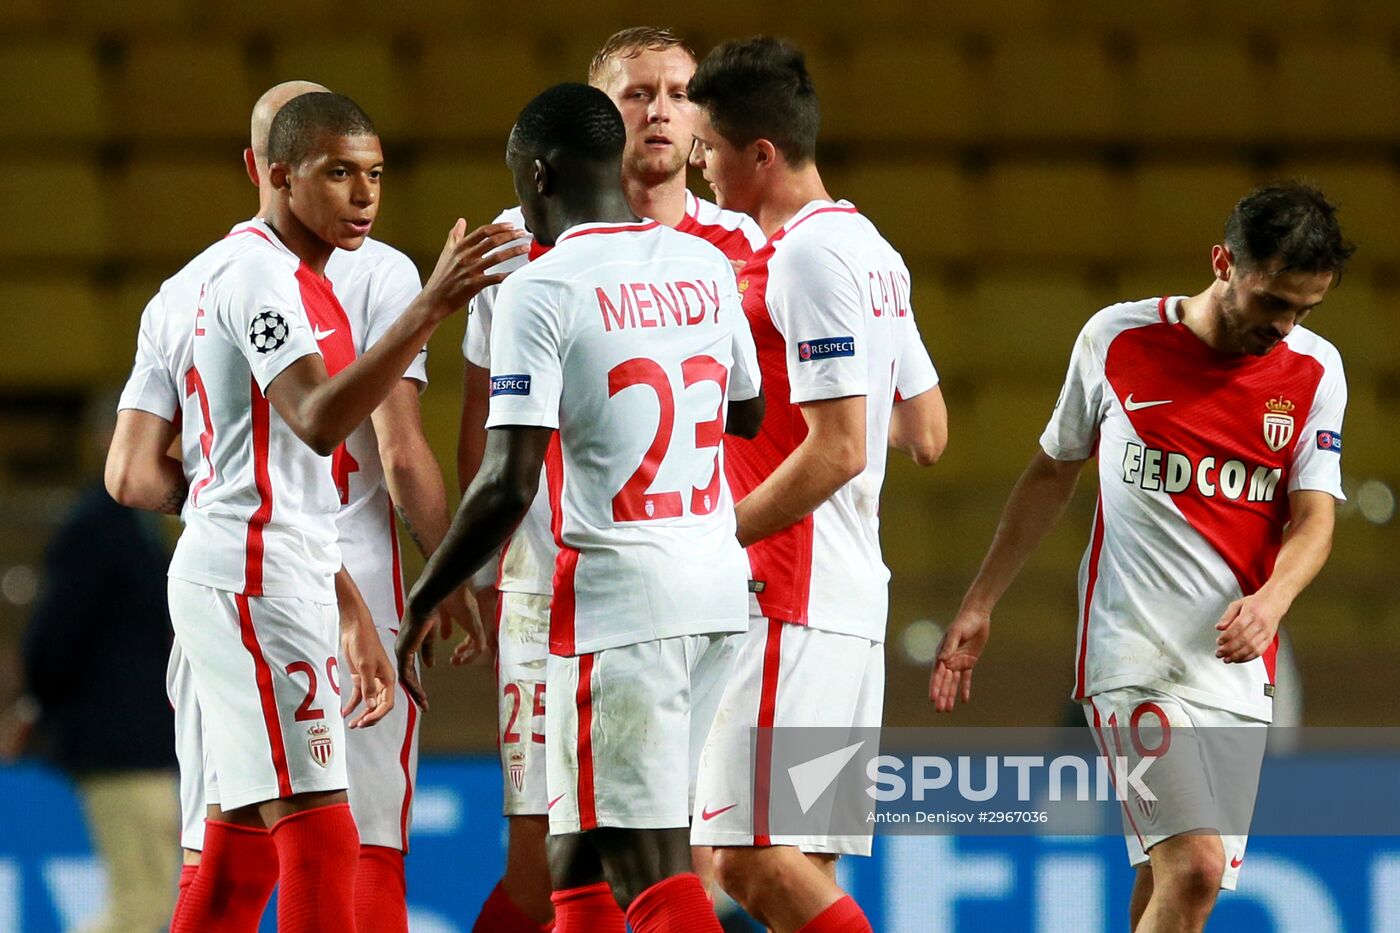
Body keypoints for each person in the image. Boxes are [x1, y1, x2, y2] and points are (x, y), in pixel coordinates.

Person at [106, 90, 520, 932]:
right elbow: (322, 419)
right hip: (261, 577)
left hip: (273, 570)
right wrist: (429, 308)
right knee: (331, 838)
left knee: (231, 854)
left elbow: (136, 472)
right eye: (340, 174)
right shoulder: (263, 277)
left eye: (374, 174)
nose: (364, 195)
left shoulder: (241, 284)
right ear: (277, 175)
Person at [929, 181, 1352, 933]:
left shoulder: (1315, 371)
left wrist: (1271, 600)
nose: (1284, 326)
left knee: (1169, 883)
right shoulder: (1116, 340)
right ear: (1223, 261)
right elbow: (1052, 471)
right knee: (1195, 865)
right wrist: (981, 599)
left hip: (1232, 668)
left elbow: (1315, 518)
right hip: (1131, 655)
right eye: (1273, 302)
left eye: (1303, 311)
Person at [397, 82, 763, 933]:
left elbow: (507, 481)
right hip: (713, 590)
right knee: (576, 850)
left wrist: (424, 597)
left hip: (621, 605)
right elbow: (744, 409)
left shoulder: (542, 286)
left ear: (538, 176)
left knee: (650, 866)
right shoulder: (703, 263)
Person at [684, 37, 946, 933]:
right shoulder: (871, 249)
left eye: (710, 146)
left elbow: (838, 449)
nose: (698, 162)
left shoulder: (799, 260)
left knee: (745, 856)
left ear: (760, 153)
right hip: (848, 596)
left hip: (785, 592)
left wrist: (713, 537)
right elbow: (928, 431)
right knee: (805, 862)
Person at [9, 393, 180, 933]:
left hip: (148, 745)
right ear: (114, 436)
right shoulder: (96, 525)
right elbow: (53, 635)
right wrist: (40, 702)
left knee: (160, 901)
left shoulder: (139, 525)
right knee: (144, 904)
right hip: (119, 746)